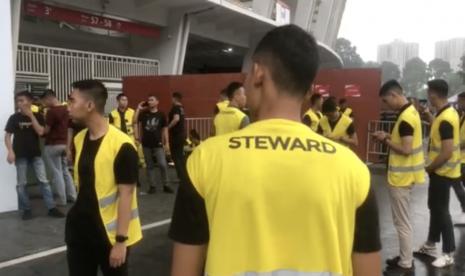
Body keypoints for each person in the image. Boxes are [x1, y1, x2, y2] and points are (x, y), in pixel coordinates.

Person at [169, 24, 381, 276]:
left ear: (258, 73)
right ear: (310, 90)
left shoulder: (204, 160)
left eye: (246, 76)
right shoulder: (353, 170)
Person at [66, 79, 142, 276]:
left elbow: (126, 195)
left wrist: (120, 242)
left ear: (90, 105)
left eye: (72, 101)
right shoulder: (79, 138)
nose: (68, 106)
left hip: (108, 236)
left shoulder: (122, 145)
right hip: (80, 231)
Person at [373, 80, 425, 274]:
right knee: (403, 221)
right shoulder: (410, 112)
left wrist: (385, 139)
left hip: (401, 179)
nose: (385, 105)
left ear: (394, 95)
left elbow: (405, 149)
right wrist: (388, 135)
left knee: (402, 222)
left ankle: (405, 262)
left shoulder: (405, 119)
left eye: (386, 101)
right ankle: (405, 256)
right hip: (407, 176)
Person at [416, 79, 460, 268]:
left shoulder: (446, 118)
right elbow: (441, 132)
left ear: (433, 94)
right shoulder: (445, 114)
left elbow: (447, 151)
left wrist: (430, 168)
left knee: (441, 211)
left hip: (442, 171)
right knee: (435, 208)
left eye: (428, 92)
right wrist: (429, 117)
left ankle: (448, 253)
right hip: (442, 171)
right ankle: (430, 244)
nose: (427, 96)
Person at [4, 91, 65, 220]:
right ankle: (26, 209)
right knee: (22, 183)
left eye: (22, 100)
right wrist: (10, 151)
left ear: (30, 102)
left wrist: (31, 115)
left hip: (36, 154)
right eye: (18, 101)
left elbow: (41, 132)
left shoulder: (38, 116)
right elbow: (7, 136)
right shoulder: (14, 118)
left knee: (44, 181)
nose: (19, 103)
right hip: (20, 154)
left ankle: (51, 208)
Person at [41, 89, 77, 206]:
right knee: (65, 171)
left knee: (57, 172)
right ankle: (72, 195)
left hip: (53, 145)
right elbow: (69, 128)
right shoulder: (67, 109)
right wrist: (68, 147)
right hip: (64, 145)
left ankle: (62, 200)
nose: (44, 104)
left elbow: (46, 130)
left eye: (44, 101)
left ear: (50, 98)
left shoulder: (52, 112)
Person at [134, 95, 173, 194]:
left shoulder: (161, 114)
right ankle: (152, 186)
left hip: (158, 144)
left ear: (157, 102)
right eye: (149, 100)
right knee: (150, 166)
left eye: (152, 100)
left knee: (163, 164)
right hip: (146, 144)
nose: (149, 102)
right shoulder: (144, 114)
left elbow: (165, 129)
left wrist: (167, 143)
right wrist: (138, 109)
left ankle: (166, 185)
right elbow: (134, 121)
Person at [167, 92, 186, 181]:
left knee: (176, 156)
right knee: (180, 156)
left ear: (174, 98)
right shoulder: (182, 108)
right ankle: (183, 175)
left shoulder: (175, 108)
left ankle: (181, 176)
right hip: (181, 134)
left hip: (176, 135)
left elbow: (176, 119)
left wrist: (168, 127)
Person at [453, 91, 465, 225]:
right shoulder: (462, 116)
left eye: (461, 101)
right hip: (460, 159)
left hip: (463, 160)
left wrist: (454, 147)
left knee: (457, 184)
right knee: (458, 185)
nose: (458, 103)